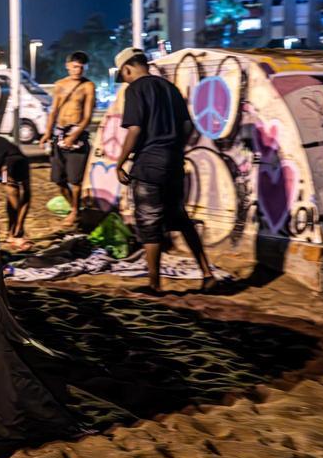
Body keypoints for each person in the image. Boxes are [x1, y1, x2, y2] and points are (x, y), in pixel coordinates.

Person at [113, 47, 216, 294]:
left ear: (127, 69)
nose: (125, 79)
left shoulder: (136, 90)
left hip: (148, 166)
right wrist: (176, 147)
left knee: (149, 224)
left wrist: (120, 162)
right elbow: (188, 125)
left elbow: (135, 129)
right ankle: (207, 273)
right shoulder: (170, 88)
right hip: (174, 164)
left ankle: (154, 284)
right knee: (180, 218)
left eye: (123, 75)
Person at [39, 51, 95, 228]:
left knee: (75, 180)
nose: (77, 70)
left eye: (81, 67)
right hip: (59, 135)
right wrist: (47, 132)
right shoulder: (60, 85)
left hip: (77, 136)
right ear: (67, 65)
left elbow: (88, 116)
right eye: (75, 66)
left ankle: (75, 211)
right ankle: (75, 208)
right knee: (58, 179)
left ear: (85, 67)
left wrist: (75, 135)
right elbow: (53, 111)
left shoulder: (88, 87)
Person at [0, 134, 32, 242]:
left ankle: (12, 232)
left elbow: (27, 194)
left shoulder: (22, 162)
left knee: (13, 192)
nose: (9, 184)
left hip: (2, 154)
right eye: (9, 181)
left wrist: (19, 224)